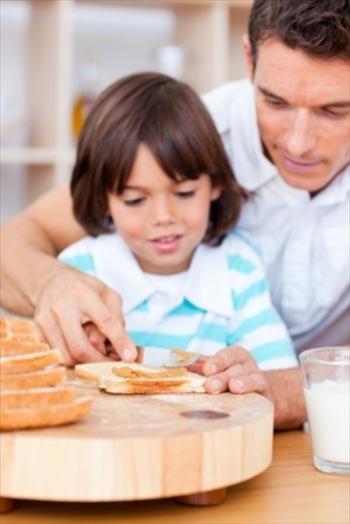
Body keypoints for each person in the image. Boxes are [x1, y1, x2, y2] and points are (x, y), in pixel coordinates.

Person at [1, 0, 349, 429]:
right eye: (274, 101)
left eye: (334, 110)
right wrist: (50, 283)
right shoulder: (190, 136)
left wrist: (280, 391)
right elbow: (18, 237)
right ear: (248, 59)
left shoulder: (236, 269)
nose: (297, 144)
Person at [57, 71, 297, 379]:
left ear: (215, 184)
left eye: (184, 193)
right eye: (134, 200)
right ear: (104, 199)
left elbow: (277, 375)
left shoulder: (238, 269)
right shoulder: (77, 273)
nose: (163, 217)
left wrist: (244, 372)